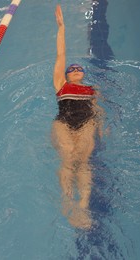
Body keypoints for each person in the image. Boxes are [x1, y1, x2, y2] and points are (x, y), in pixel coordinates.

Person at [52, 4, 104, 229]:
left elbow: (98, 110)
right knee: (68, 156)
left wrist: (102, 127)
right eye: (71, 68)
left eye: (78, 68)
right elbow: (61, 54)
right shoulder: (60, 84)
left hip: (87, 124)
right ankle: (67, 200)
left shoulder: (93, 89)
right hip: (63, 123)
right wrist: (62, 28)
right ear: (66, 74)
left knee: (83, 161)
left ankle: (82, 206)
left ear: (83, 73)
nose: (74, 69)